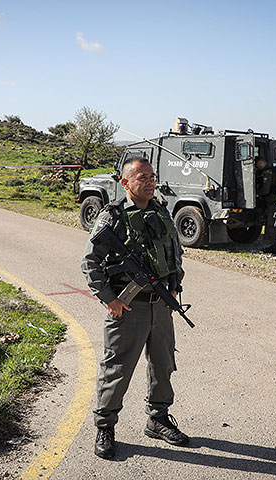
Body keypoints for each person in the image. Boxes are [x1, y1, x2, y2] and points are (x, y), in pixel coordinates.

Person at [81, 157, 189, 460]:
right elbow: (90, 263)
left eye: (152, 177)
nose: (150, 182)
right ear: (125, 182)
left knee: (163, 365)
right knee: (117, 370)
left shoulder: (159, 211)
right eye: (142, 177)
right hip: (128, 308)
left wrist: (174, 282)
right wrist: (109, 299)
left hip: (161, 307)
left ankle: (158, 420)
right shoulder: (112, 216)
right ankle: (105, 427)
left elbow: (174, 251)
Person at [255, 158, 276, 253]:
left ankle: (274, 246)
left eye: (257, 165)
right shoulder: (272, 170)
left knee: (272, 224)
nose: (257, 168)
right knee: (271, 223)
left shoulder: (268, 173)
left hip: (273, 201)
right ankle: (273, 244)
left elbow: (265, 190)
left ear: (260, 163)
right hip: (274, 200)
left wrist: (255, 193)